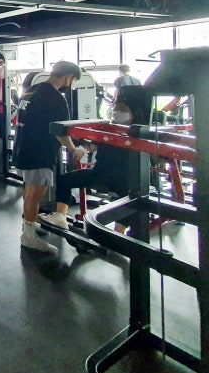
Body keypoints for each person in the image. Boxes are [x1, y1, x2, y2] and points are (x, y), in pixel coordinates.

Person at [39, 85, 151, 235]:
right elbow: (92, 146)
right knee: (64, 180)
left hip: (125, 179)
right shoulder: (108, 128)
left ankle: (119, 233)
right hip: (100, 172)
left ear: (134, 113)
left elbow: (155, 156)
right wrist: (80, 147)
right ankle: (60, 216)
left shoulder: (140, 134)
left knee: (130, 197)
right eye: (116, 108)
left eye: (122, 109)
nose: (117, 112)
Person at [13, 60, 86, 255]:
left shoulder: (32, 90)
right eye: (72, 80)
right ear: (68, 77)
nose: (70, 85)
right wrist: (74, 150)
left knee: (29, 190)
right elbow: (60, 132)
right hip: (39, 152)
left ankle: (29, 225)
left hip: (22, 148)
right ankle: (29, 237)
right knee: (35, 194)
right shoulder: (54, 97)